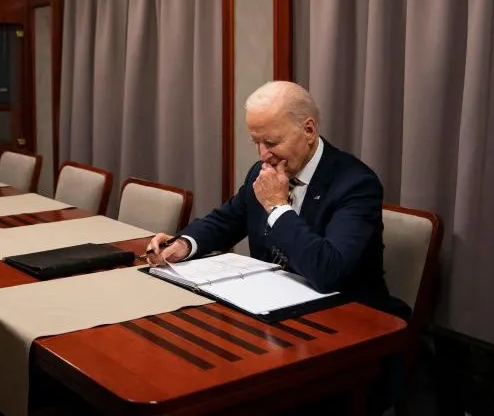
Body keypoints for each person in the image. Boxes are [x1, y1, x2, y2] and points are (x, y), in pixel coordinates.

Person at [146, 81, 408, 411]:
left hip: (343, 330)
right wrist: (185, 243)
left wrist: (277, 207)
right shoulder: (263, 171)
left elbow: (328, 269)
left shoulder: (355, 183)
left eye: (271, 142)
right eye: (256, 142)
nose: (263, 155)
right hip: (270, 320)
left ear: (309, 130)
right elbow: (227, 219)